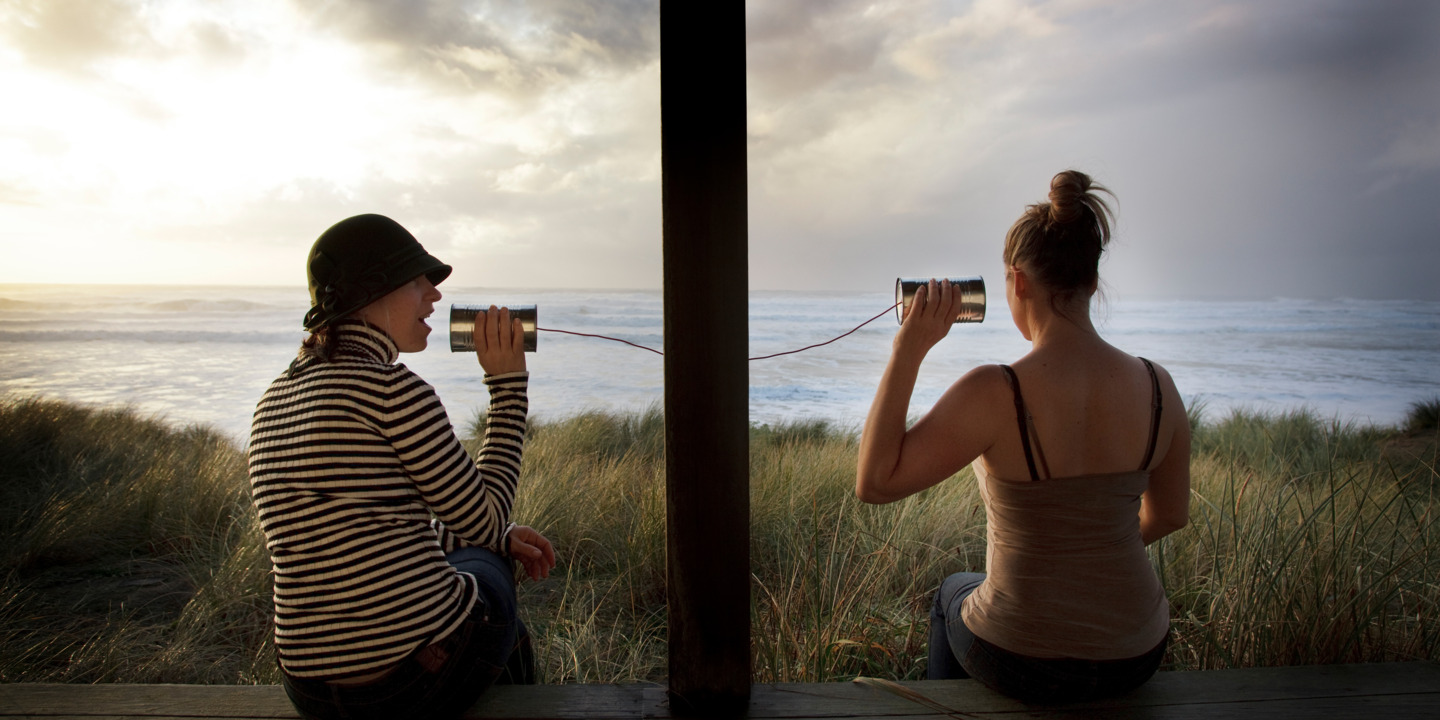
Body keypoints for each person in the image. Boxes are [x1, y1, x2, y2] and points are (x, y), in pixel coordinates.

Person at [855, 171, 1190, 703]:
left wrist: (909, 348)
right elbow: (1170, 514)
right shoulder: (1157, 385)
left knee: (951, 593)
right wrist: (1089, 552)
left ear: (1018, 281)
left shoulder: (997, 391)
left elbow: (875, 481)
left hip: (1022, 655)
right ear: (1093, 282)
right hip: (1137, 651)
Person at [248, 214, 556, 720]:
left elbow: (361, 528)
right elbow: (487, 518)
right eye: (419, 282)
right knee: (489, 573)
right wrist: (508, 386)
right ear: (376, 293)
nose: (434, 297)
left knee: (479, 553)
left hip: (309, 688)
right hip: (407, 681)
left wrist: (493, 534)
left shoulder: (276, 396)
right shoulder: (393, 390)